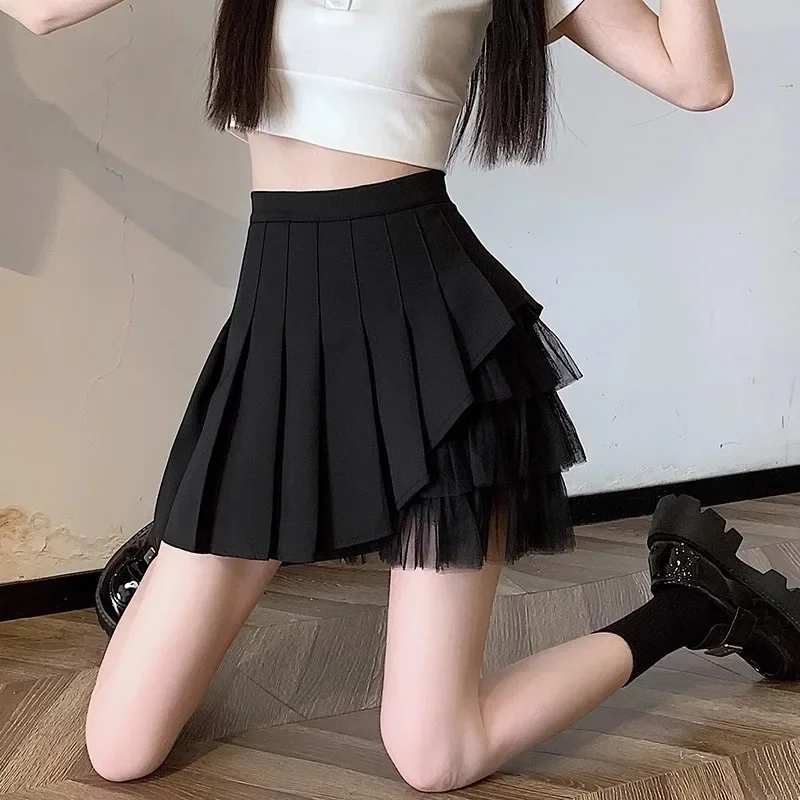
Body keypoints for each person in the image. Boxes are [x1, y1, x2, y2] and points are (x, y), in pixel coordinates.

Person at [5, 0, 800, 792]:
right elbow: (39, 10)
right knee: (120, 751)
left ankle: (693, 601)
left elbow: (698, 81)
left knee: (437, 755)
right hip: (279, 345)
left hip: (440, 354)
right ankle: (184, 544)